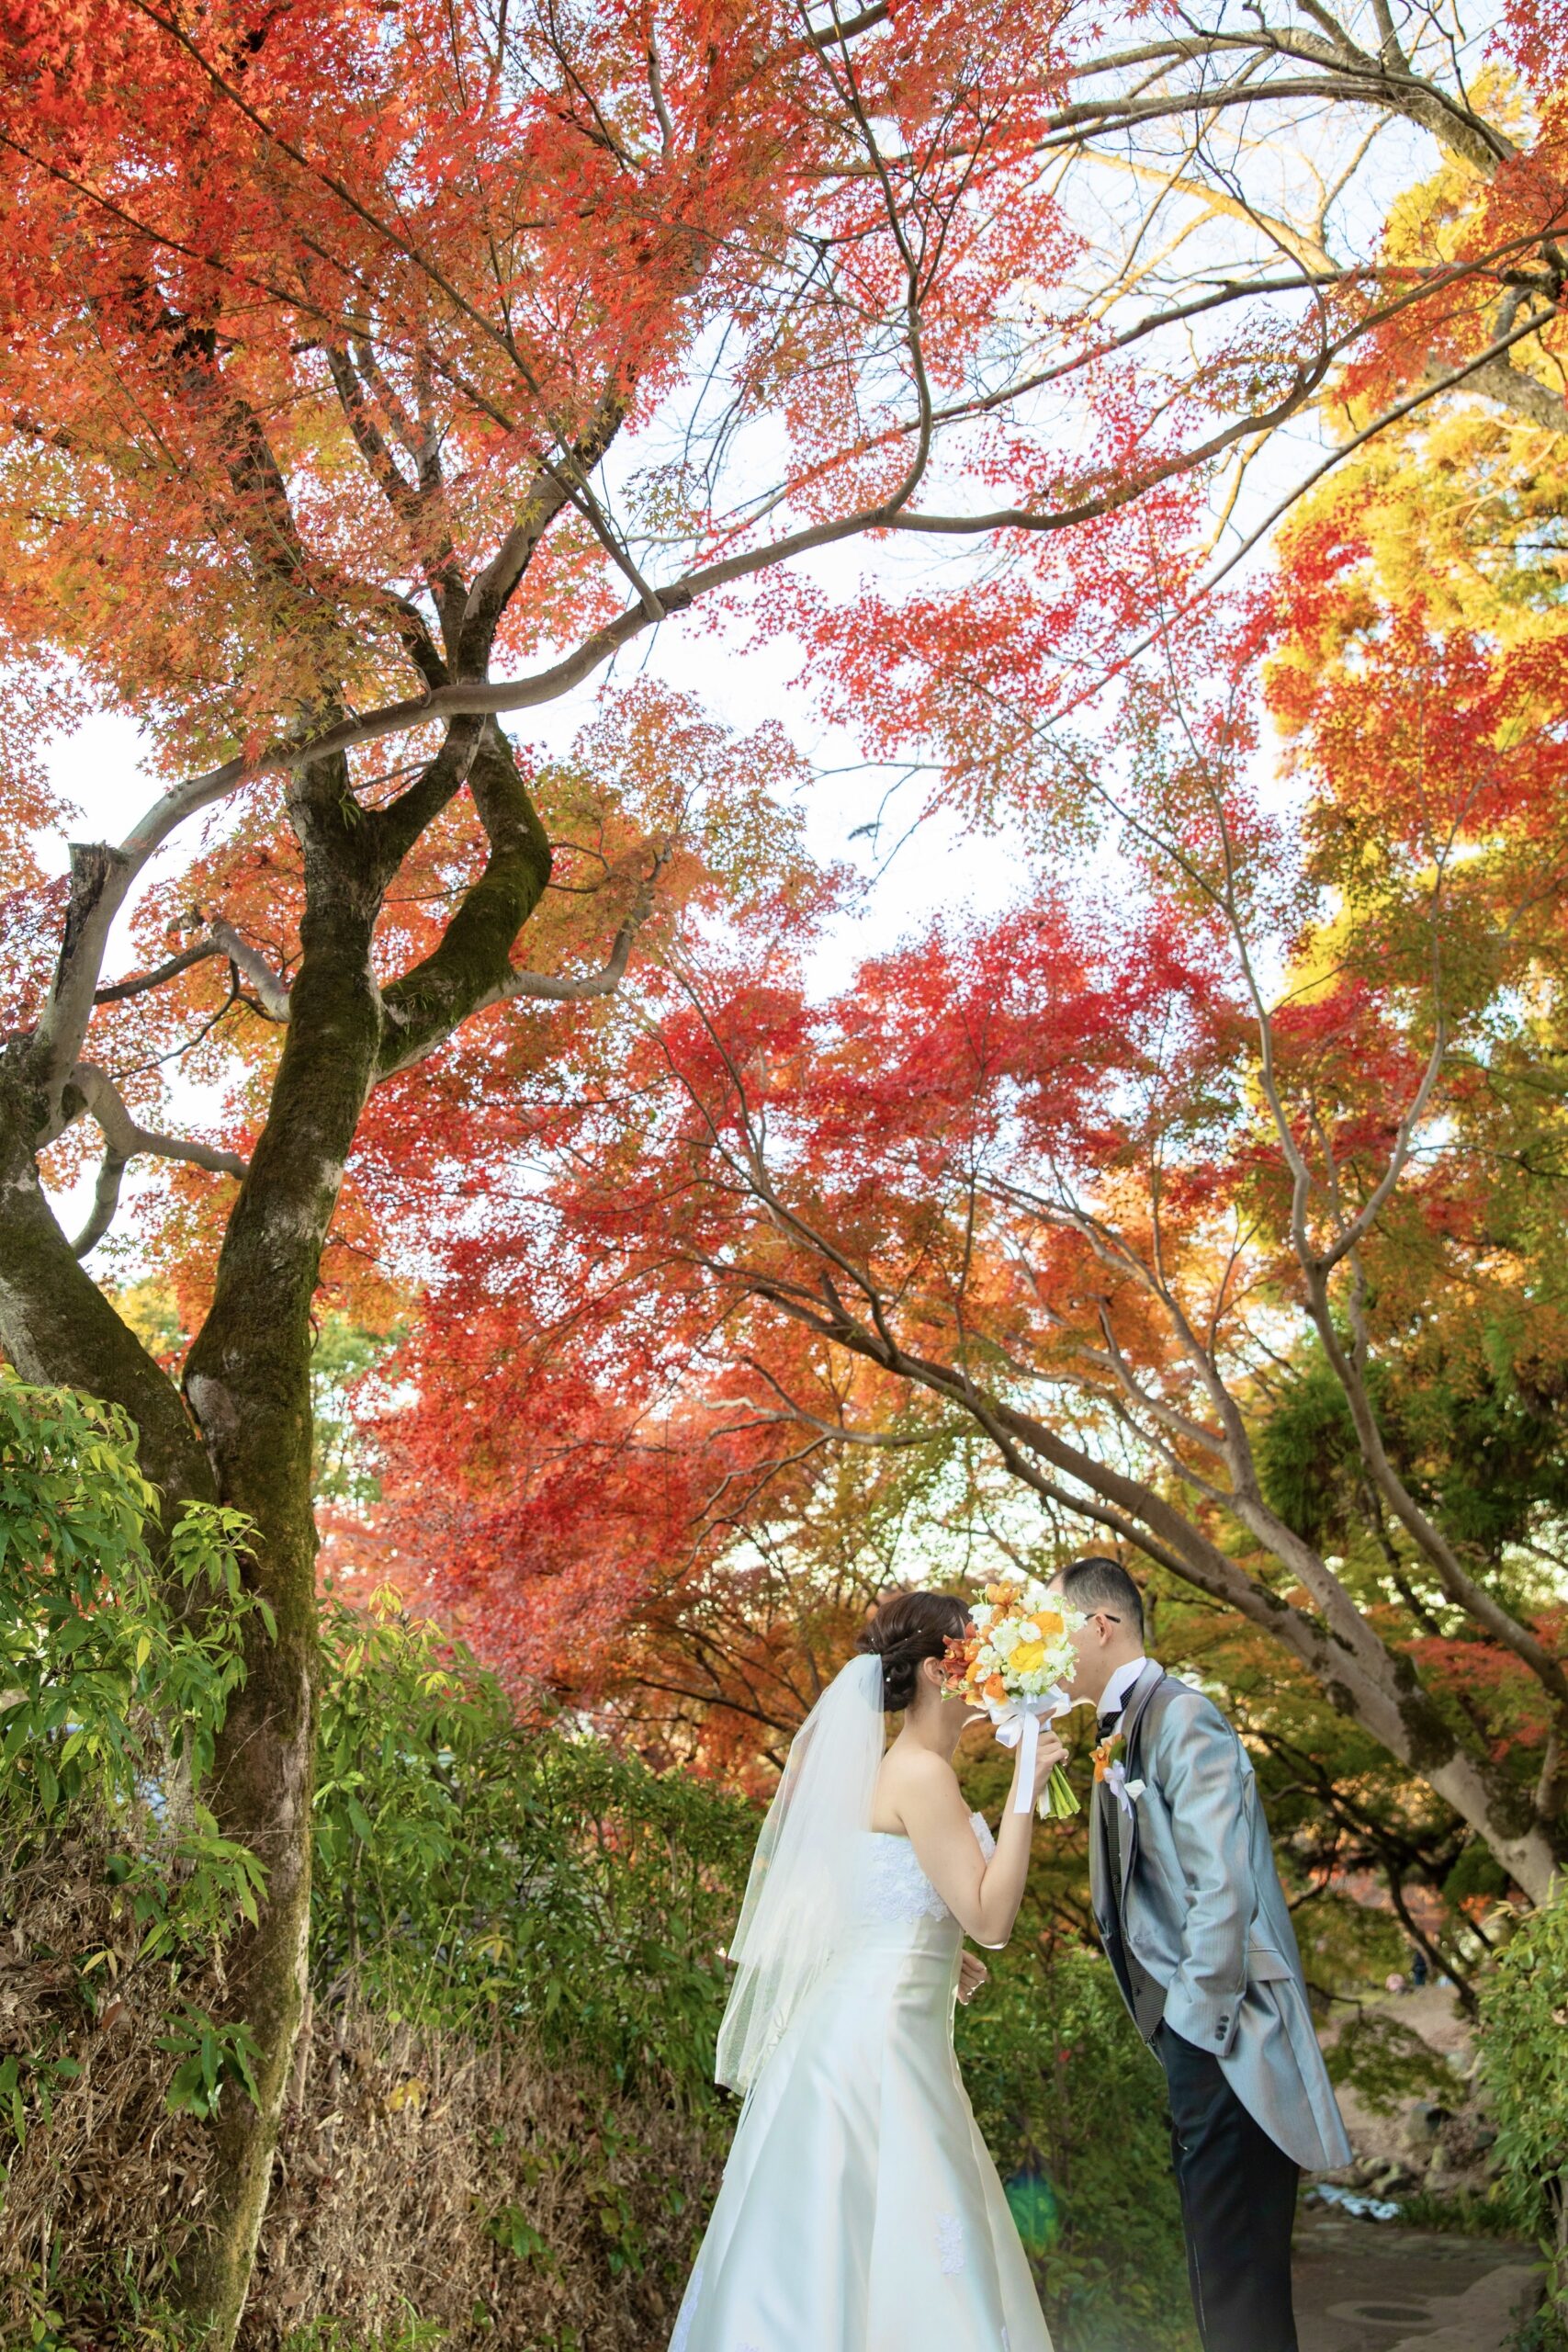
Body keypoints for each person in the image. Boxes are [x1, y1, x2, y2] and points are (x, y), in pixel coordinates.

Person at [669, 1589, 1066, 2352]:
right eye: (969, 1654)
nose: (984, 1668)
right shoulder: (920, 1773)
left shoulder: (892, 1769)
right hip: (880, 2055)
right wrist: (1025, 1788)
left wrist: (936, 1955)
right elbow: (991, 1921)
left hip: (854, 2035)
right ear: (928, 1672)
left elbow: (881, 1904)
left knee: (839, 2252)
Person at [1047, 1555, 1351, 2352]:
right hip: (1194, 2038)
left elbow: (1225, 1885)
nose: (1044, 1646)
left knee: (1237, 2277)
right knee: (1221, 2275)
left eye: (1054, 1628)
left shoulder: (1180, 1716)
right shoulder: (1119, 1730)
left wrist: (1191, 2022)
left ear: (1100, 1626)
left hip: (1224, 2032)